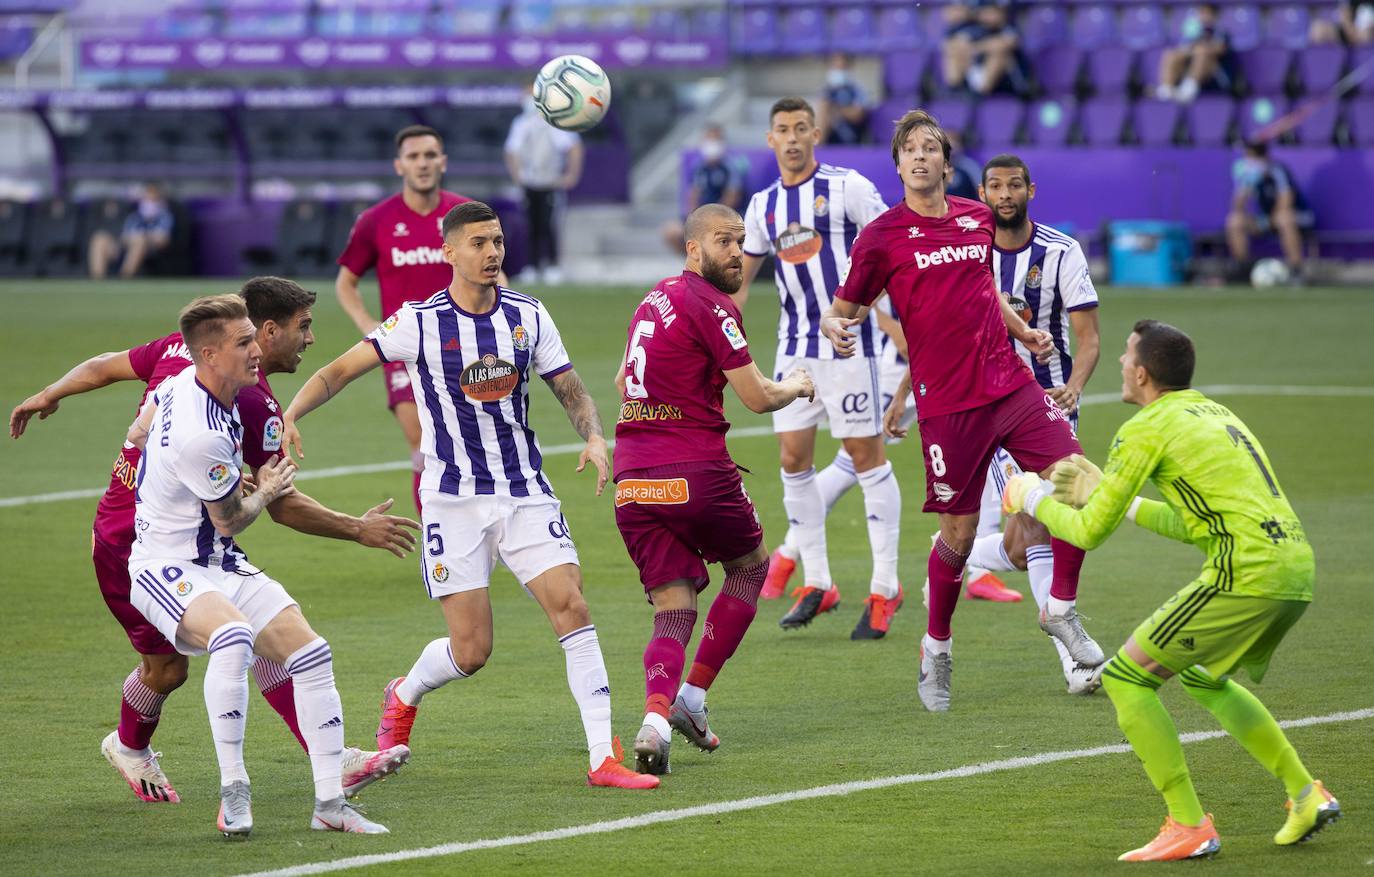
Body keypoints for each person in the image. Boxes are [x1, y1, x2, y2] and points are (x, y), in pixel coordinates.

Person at [283, 201, 657, 790]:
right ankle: (403, 693)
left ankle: (600, 758)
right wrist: (293, 411)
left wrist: (593, 436)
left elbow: (570, 387)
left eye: (499, 242)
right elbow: (339, 370)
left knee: (573, 607)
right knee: (472, 649)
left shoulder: (529, 315)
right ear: (449, 251)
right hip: (453, 501)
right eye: (479, 243)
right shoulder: (418, 321)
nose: (492, 253)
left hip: (525, 490)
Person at [8, 278, 419, 808]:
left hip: (196, 539)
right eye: (304, 327)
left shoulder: (191, 354)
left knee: (259, 633)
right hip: (133, 542)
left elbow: (110, 364)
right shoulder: (253, 402)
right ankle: (131, 746)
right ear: (265, 333)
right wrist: (356, 528)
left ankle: (331, 761)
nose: (310, 340)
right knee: (168, 670)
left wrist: (52, 391)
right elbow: (279, 503)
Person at [1003, 320, 1340, 861]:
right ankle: (1306, 794)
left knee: (1125, 679)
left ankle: (1188, 824)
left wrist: (1033, 497)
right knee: (1206, 679)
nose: (1117, 363)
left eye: (1124, 356)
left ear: (1141, 372)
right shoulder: (1216, 413)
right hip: (1295, 568)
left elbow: (1089, 533)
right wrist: (1117, 496)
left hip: (1244, 572)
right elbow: (1192, 523)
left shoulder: (1143, 428)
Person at [821, 109, 1101, 712]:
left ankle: (1060, 609)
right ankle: (937, 646)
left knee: (1083, 487)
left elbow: (983, 290)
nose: (921, 157)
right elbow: (843, 307)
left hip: (1011, 388)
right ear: (898, 165)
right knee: (959, 532)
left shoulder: (977, 220)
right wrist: (834, 327)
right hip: (947, 406)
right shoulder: (883, 236)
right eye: (910, 150)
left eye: (931, 148)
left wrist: (1023, 334)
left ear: (947, 164)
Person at [126, 294, 387, 836]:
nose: (255, 351)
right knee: (233, 638)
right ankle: (234, 790)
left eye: (253, 337)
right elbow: (232, 521)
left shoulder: (180, 385)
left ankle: (330, 805)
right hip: (165, 565)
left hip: (217, 563)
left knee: (312, 653)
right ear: (210, 354)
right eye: (243, 342)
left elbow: (140, 427)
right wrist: (264, 489)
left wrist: (167, 465)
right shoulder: (203, 435)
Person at [614, 204, 816, 774]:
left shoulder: (655, 297)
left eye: (741, 241)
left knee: (673, 608)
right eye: (724, 241)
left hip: (634, 482)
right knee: (751, 567)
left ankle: (656, 722)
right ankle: (694, 697)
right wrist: (796, 385)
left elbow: (623, 377)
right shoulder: (714, 305)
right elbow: (756, 397)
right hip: (694, 472)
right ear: (693, 248)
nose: (736, 252)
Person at [925, 153, 1103, 693]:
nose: (1004, 195)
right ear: (981, 192)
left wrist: (1074, 387)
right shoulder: (963, 251)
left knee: (1045, 528)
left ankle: (948, 558)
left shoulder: (1060, 252)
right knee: (1045, 529)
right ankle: (1075, 665)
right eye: (995, 187)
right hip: (989, 407)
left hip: (1051, 404)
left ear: (1031, 190)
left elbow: (1088, 338)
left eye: (1014, 186)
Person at [737, 96, 905, 640]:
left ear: (815, 135)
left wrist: (872, 310)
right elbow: (737, 283)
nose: (791, 137)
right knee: (792, 459)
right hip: (794, 347)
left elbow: (890, 242)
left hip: (848, 342)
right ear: (770, 139)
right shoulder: (761, 207)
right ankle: (819, 581)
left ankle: (885, 587)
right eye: (781, 129)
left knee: (864, 455)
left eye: (801, 128)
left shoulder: (847, 187)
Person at [337, 124, 479, 515]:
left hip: (464, 343)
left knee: (470, 440)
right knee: (421, 441)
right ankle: (438, 535)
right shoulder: (375, 221)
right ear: (399, 165)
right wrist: (373, 329)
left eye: (430, 155)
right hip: (406, 349)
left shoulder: (465, 215)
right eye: (414, 157)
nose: (423, 163)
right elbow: (346, 284)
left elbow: (493, 271)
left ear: (443, 162)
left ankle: (478, 523)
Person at [504, 88, 584, 285]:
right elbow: (511, 150)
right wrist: (518, 176)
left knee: (549, 226)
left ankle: (553, 265)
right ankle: (532, 266)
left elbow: (574, 147)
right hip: (530, 183)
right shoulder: (521, 123)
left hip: (550, 183)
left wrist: (571, 175)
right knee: (531, 226)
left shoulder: (555, 122)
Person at [1226, 140, 1313, 281]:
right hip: (1269, 219)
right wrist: (1246, 185)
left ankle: (1296, 270)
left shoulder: (1278, 171)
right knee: (1235, 221)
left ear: (1264, 157)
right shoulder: (1250, 175)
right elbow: (1237, 206)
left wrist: (1269, 222)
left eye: (1252, 158)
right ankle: (1242, 269)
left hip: (1297, 217)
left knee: (1284, 218)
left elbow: (1286, 201)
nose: (1249, 162)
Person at [660, 125, 749, 253]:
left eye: (716, 140)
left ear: (722, 143)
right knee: (671, 231)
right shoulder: (699, 168)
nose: (712, 144)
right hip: (702, 219)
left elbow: (732, 197)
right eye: (709, 140)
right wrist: (693, 219)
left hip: (726, 220)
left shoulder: (730, 167)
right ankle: (695, 263)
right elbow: (693, 196)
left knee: (717, 235)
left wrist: (711, 220)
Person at [88, 184, 173, 280]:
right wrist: (119, 244)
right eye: (147, 198)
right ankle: (98, 280)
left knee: (139, 240)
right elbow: (124, 236)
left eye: (152, 199)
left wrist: (144, 236)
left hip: (149, 248)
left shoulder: (164, 216)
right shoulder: (135, 216)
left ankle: (124, 278)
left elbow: (163, 240)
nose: (149, 202)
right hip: (127, 246)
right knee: (100, 238)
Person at [1155, 3, 1236, 103]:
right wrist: (1191, 47)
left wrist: (1196, 49)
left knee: (1202, 52)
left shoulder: (1222, 33)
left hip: (1217, 79)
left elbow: (1219, 49)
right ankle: (1166, 91)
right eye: (1201, 13)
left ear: (1215, 17)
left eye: (1207, 14)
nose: (1203, 17)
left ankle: (1188, 91)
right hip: (1191, 73)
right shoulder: (1193, 34)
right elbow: (1182, 51)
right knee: (1170, 54)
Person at [942, 1, 1027, 96]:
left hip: (1007, 81)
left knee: (999, 54)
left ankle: (981, 94)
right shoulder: (975, 28)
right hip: (977, 71)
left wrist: (977, 47)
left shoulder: (1008, 27)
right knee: (955, 52)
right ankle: (955, 90)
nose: (989, 16)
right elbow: (950, 45)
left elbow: (1006, 43)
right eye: (986, 12)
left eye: (993, 12)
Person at [819, 52, 871, 145]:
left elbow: (857, 115)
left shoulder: (857, 90)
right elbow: (822, 117)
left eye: (842, 68)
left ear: (849, 68)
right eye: (835, 67)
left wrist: (836, 109)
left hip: (854, 143)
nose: (838, 71)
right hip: (831, 143)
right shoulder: (827, 91)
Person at [1310, 0, 1374, 45]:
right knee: (1317, 29)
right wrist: (1350, 31)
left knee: (1365, 35)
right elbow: (1344, 11)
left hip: (1368, 32)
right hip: (1347, 29)